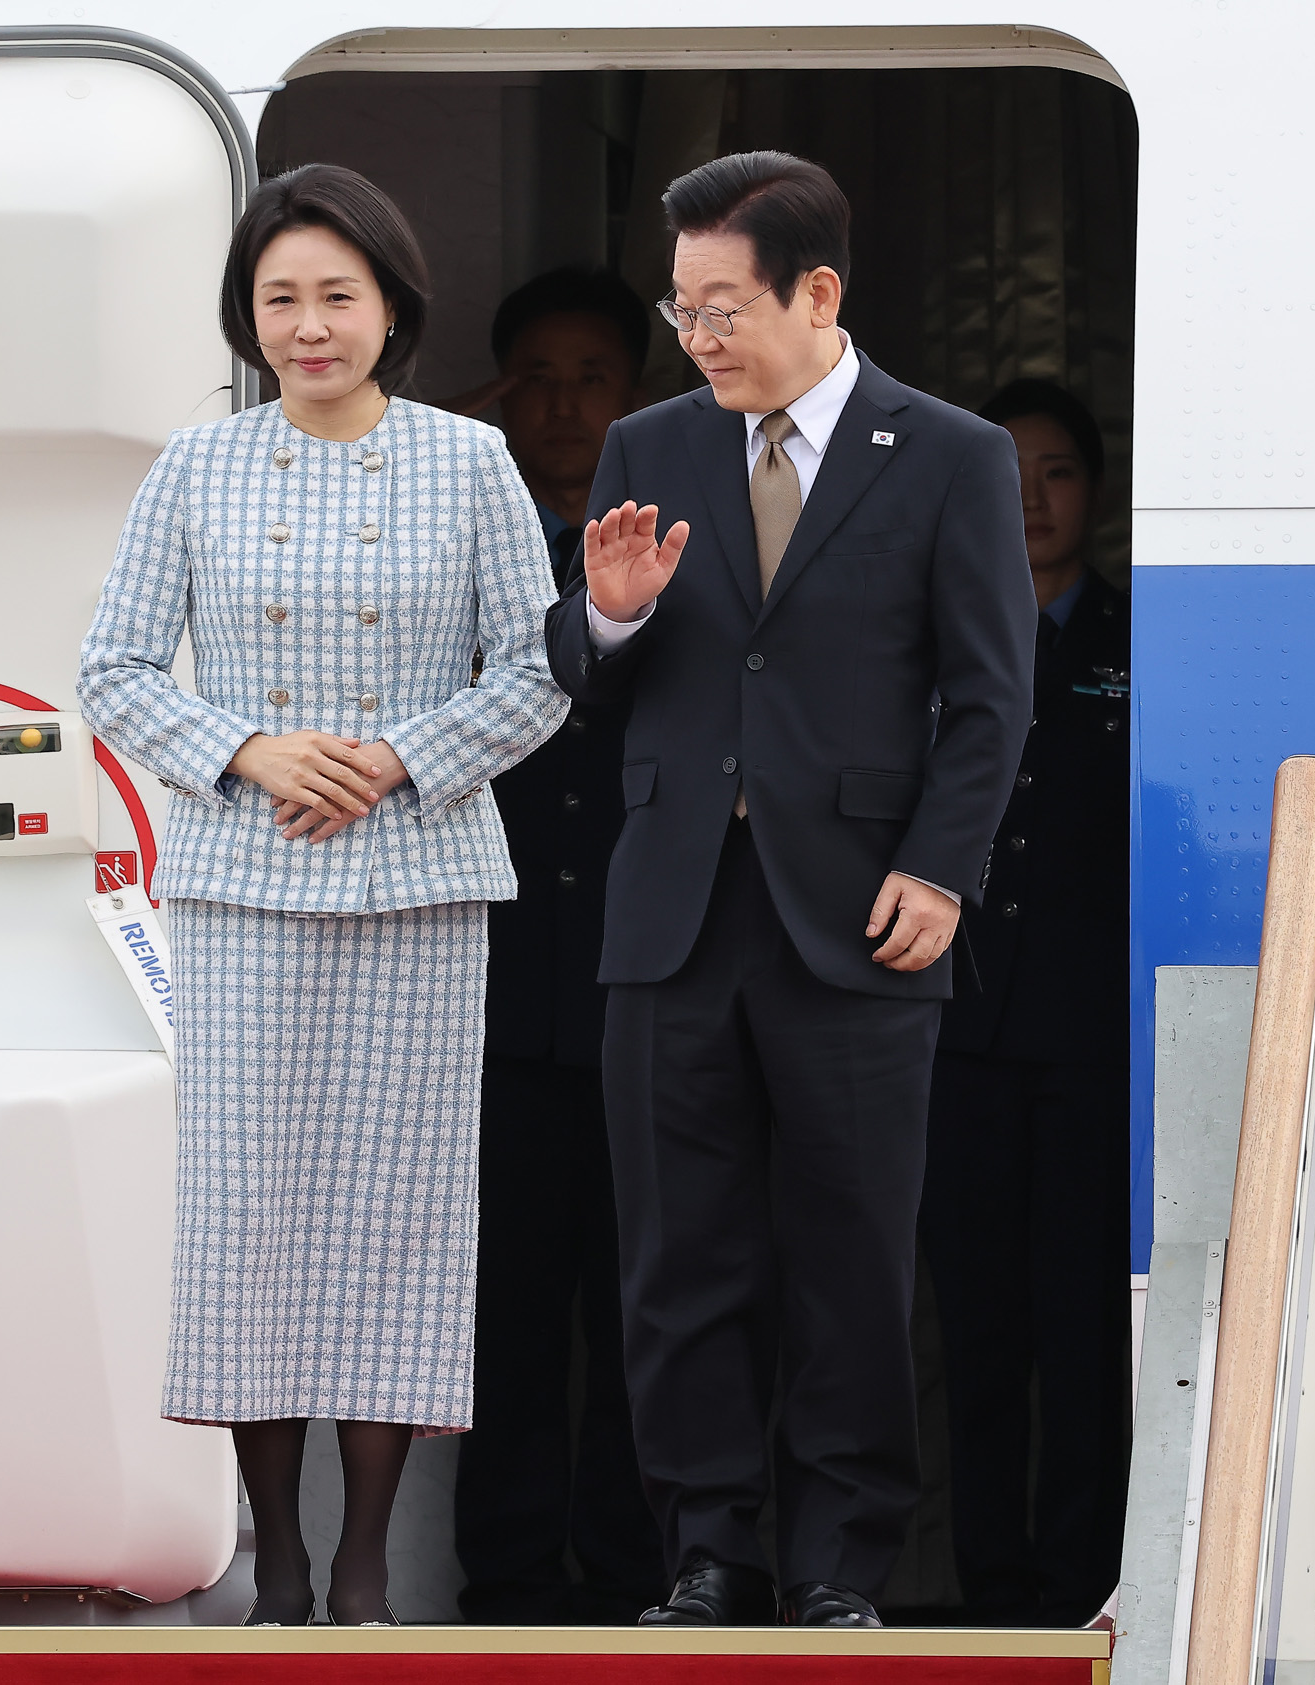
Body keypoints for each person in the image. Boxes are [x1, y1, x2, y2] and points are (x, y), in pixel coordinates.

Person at [544, 151, 1036, 1628]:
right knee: (677, 1255)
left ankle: (839, 1562)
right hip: (675, 912)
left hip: (867, 914)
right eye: (679, 307)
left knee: (850, 1254)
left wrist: (944, 870)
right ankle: (708, 1546)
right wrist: (609, 621)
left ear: (818, 294)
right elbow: (582, 685)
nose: (695, 337)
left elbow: (990, 696)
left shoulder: (949, 453)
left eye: (721, 306)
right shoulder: (650, 446)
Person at [77, 163, 568, 1628]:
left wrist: (400, 760)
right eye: (280, 299)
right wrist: (247, 747)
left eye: (336, 297)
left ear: (393, 308)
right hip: (243, 887)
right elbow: (110, 669)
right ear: (250, 316)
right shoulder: (194, 466)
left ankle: (363, 1564)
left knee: (402, 1217)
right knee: (250, 1217)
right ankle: (272, 1559)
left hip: (420, 890)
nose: (308, 326)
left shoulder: (471, 464)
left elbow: (537, 669)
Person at [449, 268, 664, 1626]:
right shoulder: (459, 537)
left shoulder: (687, 535)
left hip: (654, 983)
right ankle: (511, 1585)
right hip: (492, 989)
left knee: (649, 1310)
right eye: (538, 376)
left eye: (593, 376)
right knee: (507, 1316)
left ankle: (643, 1578)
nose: (564, 403)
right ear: (499, 395)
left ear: (633, 396)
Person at [918, 379, 1130, 1628]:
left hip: (1094, 1041)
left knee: (1083, 1323)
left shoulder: (1142, 636)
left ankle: (1081, 1576)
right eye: (1004, 474)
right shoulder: (932, 629)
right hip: (957, 1030)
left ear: (1092, 491)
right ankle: (989, 1583)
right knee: (975, 1321)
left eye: (1054, 471)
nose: (1031, 499)